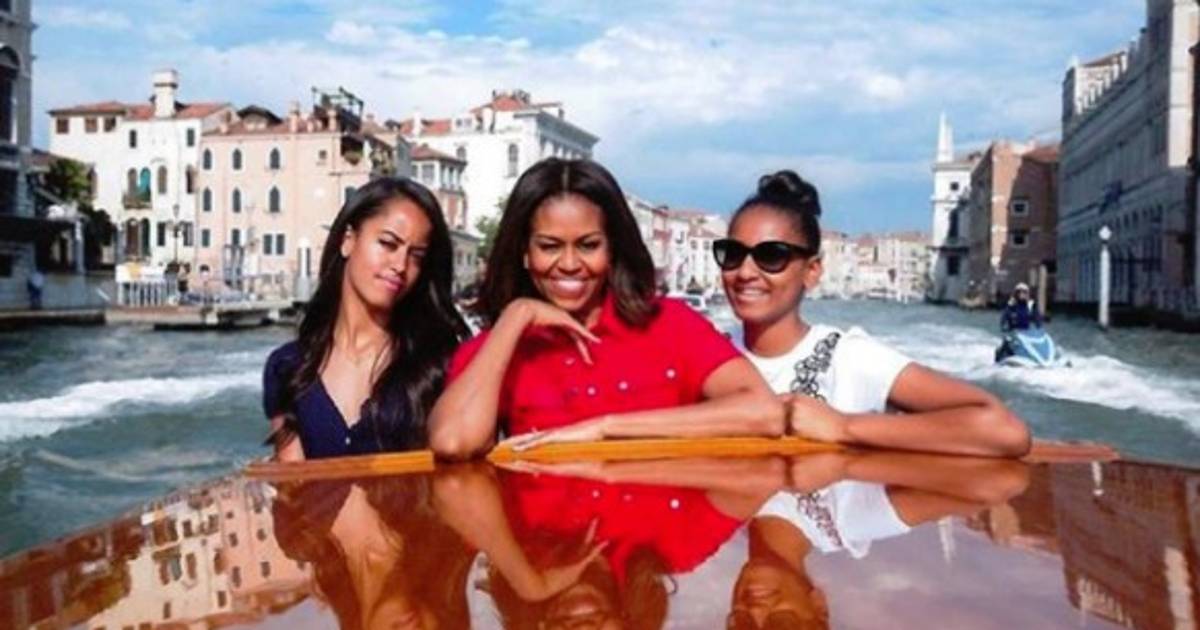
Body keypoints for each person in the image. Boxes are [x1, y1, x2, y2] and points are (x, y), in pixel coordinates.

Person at [428, 158, 782, 459]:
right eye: (550, 246)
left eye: (588, 245)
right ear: (525, 252)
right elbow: (452, 442)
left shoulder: (670, 324)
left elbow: (764, 413)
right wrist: (517, 315)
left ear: (612, 249)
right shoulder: (498, 348)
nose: (570, 264)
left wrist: (606, 429)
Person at [716, 170, 1030, 457]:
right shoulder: (706, 352)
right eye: (732, 254)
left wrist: (843, 426)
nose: (745, 272)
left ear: (811, 272)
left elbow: (1005, 431)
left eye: (771, 256)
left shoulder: (847, 358)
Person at [262, 177, 469, 461]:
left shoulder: (436, 365)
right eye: (388, 244)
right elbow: (293, 481)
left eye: (416, 256)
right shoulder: (288, 367)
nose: (400, 265)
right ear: (348, 240)